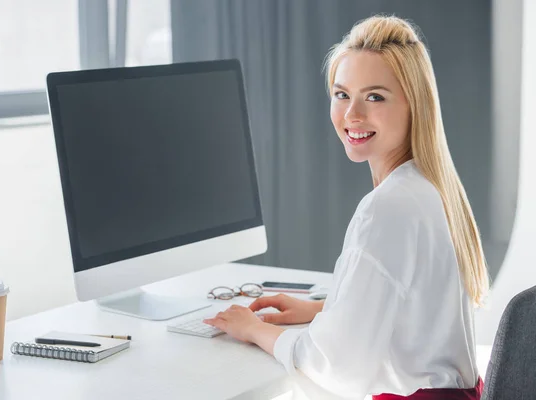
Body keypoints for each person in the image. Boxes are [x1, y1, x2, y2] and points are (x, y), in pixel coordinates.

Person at [203, 15, 490, 400]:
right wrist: (323, 308)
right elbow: (411, 306)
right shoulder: (430, 186)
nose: (352, 115)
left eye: (375, 97)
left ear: (414, 105)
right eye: (342, 95)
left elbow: (335, 364)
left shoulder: (389, 208)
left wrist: (254, 329)